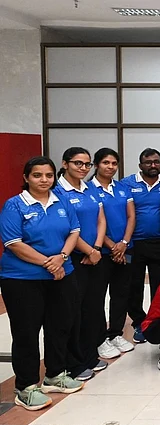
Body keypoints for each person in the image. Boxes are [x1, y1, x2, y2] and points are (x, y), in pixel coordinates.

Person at [0, 156, 84, 410]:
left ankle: (54, 375)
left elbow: (74, 232)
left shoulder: (62, 201)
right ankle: (25, 387)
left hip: (62, 275)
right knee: (26, 332)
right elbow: (13, 243)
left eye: (48, 175)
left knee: (60, 326)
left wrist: (62, 258)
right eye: (37, 175)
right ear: (26, 178)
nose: (44, 180)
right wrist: (50, 264)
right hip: (23, 279)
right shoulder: (14, 205)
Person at [53, 147, 106, 381]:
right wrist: (88, 250)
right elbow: (67, 229)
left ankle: (89, 355)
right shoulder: (58, 192)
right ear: (65, 164)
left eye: (86, 164)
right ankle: (72, 363)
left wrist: (96, 248)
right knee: (72, 311)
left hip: (94, 253)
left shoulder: (90, 189)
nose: (83, 168)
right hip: (73, 256)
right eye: (77, 163)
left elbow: (100, 219)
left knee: (93, 308)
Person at [121, 148, 160, 344]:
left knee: (159, 285)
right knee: (133, 285)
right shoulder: (126, 184)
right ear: (140, 165)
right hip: (134, 244)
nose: (153, 165)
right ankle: (138, 322)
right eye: (148, 162)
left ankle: (155, 320)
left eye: (157, 162)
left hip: (159, 242)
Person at [90, 148, 137, 358]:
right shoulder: (88, 189)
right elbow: (95, 222)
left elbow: (131, 216)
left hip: (125, 248)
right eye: (106, 163)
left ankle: (116, 333)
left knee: (121, 293)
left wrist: (124, 243)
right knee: (98, 296)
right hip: (102, 250)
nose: (110, 167)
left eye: (114, 163)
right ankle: (99, 338)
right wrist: (112, 245)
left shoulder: (122, 188)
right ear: (97, 164)